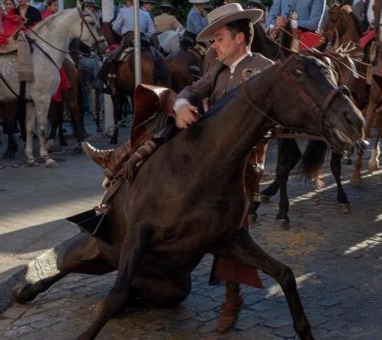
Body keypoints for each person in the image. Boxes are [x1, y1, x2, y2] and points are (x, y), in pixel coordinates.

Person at [83, 3, 272, 332]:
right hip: (206, 150)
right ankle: (121, 161)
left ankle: (232, 296)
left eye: (219, 38)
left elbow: (272, 118)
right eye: (213, 39)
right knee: (163, 107)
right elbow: (196, 89)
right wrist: (184, 103)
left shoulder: (265, 69)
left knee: (234, 231)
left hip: (239, 163)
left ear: (240, 38)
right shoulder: (216, 65)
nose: (213, 45)